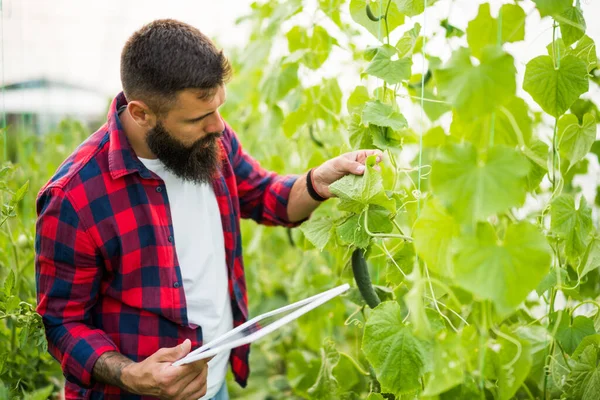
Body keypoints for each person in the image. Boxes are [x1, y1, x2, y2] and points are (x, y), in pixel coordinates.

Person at [34, 19, 382, 400]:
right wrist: (132, 374)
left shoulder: (209, 137)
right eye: (199, 118)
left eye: (218, 109)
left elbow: (264, 194)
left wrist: (317, 182)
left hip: (213, 385)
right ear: (141, 114)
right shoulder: (74, 197)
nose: (218, 126)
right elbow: (62, 323)